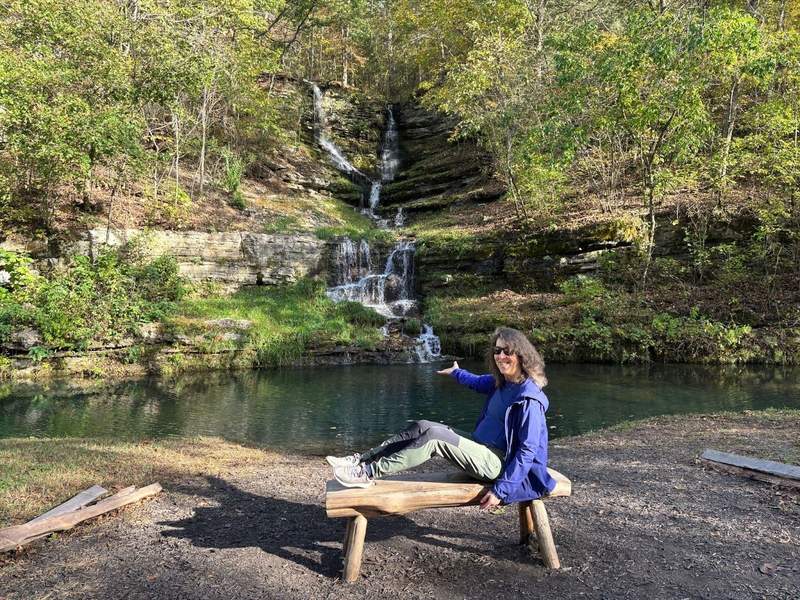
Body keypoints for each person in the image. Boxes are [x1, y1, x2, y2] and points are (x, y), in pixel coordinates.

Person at [327, 327, 556, 509]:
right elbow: (476, 382)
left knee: (435, 437)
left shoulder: (528, 400)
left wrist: (501, 490)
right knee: (423, 426)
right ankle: (362, 460)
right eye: (497, 351)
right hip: (481, 448)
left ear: (521, 355)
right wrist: (456, 372)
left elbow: (527, 451)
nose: (500, 356)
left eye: (507, 351)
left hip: (501, 465)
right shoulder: (502, 382)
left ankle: (366, 474)